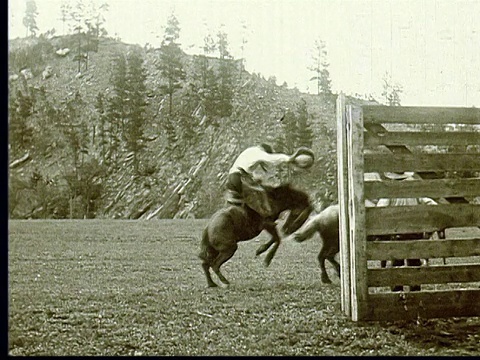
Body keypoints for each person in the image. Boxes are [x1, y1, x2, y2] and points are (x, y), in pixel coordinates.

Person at [376, 171, 438, 292]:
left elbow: (379, 209)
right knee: (414, 263)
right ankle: (415, 290)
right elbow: (431, 203)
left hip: (397, 234)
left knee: (396, 263)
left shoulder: (389, 193)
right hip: (414, 233)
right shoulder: (414, 191)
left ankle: (397, 290)